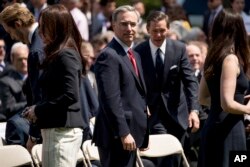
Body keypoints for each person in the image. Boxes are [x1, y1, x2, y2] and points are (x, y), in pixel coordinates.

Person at [134, 11, 200, 167]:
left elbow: (190, 81)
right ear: (147, 30)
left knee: (176, 160)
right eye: (154, 30)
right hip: (153, 115)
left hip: (178, 114)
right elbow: (135, 84)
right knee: (164, 157)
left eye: (162, 30)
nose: (158, 34)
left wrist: (194, 110)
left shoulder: (179, 48)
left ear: (168, 29)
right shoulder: (138, 52)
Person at [22, 4, 85, 167]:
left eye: (44, 26)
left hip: (62, 133)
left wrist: (38, 109)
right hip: (56, 131)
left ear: (57, 27)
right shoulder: (58, 54)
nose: (40, 31)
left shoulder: (66, 55)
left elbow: (70, 95)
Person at [92, 5, 149, 167]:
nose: (129, 28)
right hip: (116, 137)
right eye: (124, 24)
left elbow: (133, 92)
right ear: (113, 25)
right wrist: (123, 133)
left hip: (132, 133)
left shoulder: (134, 54)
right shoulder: (108, 56)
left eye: (133, 24)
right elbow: (110, 100)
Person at [198, 9, 250, 167]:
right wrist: (247, 108)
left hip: (213, 128)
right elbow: (227, 104)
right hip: (229, 131)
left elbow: (203, 97)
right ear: (238, 29)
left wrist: (240, 101)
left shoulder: (213, 57)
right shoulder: (230, 59)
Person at [0, 3, 44, 151]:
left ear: (18, 24)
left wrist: (33, 136)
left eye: (10, 31)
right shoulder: (44, 37)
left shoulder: (36, 50)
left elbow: (40, 96)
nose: (11, 37)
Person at [0, 42, 30, 146]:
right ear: (12, 60)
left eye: (26, 59)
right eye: (20, 59)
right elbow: (8, 108)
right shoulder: (6, 81)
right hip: (18, 128)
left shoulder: (36, 78)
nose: (24, 62)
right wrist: (30, 103)